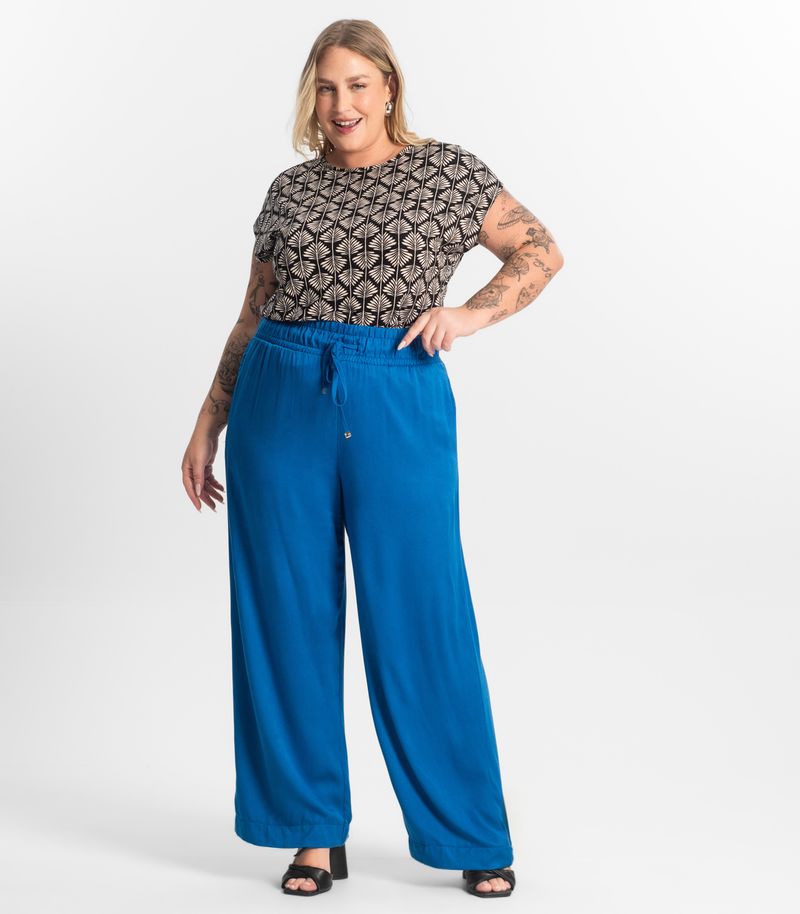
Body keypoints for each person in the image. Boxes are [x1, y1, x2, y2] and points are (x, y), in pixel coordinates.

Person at [181, 18, 564, 900]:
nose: (341, 104)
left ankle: (470, 830)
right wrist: (209, 419)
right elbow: (252, 312)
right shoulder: (289, 191)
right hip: (279, 395)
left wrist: (465, 315)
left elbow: (542, 249)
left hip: (396, 391)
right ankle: (310, 832)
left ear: (389, 86)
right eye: (325, 87)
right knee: (284, 615)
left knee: (422, 610)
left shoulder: (449, 172)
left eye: (357, 84)